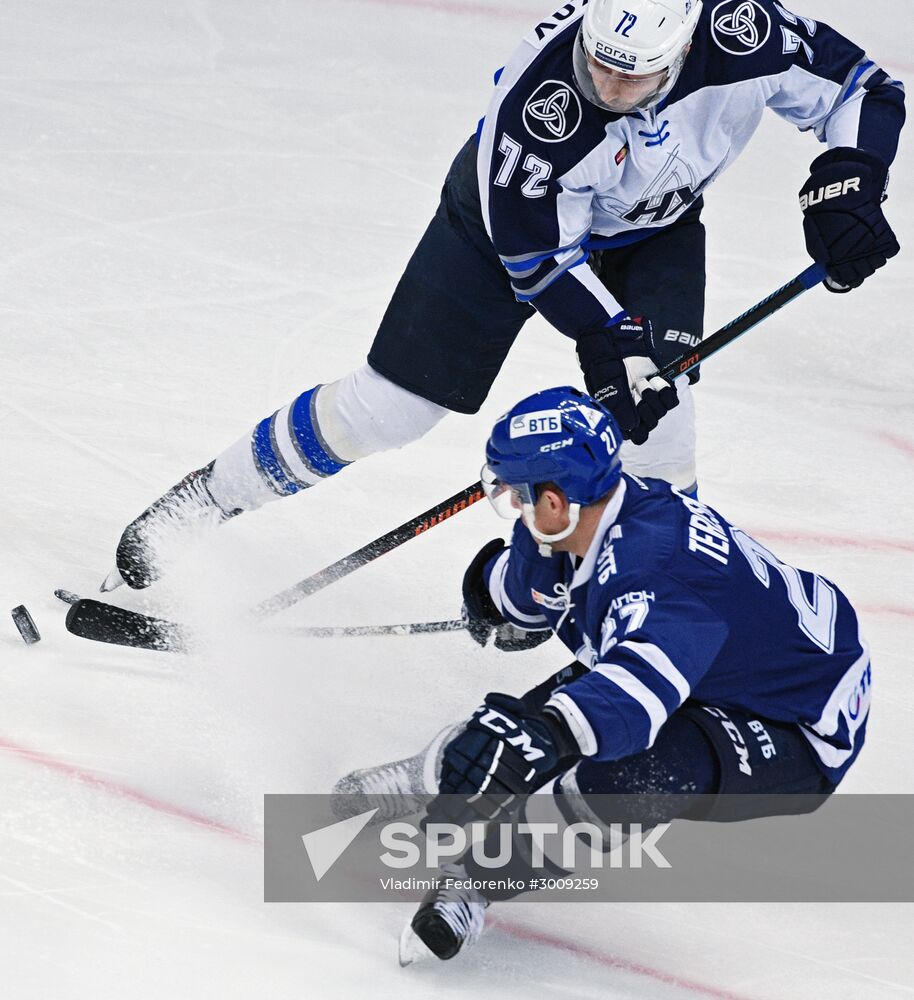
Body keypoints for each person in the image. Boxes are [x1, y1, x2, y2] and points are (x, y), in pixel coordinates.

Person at [101, 0, 904, 591]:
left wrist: (850, 180)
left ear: (688, 45)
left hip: (653, 231)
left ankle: (655, 597)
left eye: (638, 73)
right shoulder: (539, 107)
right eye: (602, 65)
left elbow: (865, 89)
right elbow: (539, 257)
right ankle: (211, 497)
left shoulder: (746, 35)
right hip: (505, 233)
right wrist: (612, 337)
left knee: (664, 427)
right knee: (388, 410)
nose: (612, 86)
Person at [333, 386, 872, 963]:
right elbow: (532, 598)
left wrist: (543, 738)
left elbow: (636, 694)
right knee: (545, 721)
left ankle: (477, 880)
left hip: (795, 724)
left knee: (635, 776)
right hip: (710, 662)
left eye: (517, 494)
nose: (513, 506)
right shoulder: (585, 512)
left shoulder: (656, 571)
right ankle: (430, 774)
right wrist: (488, 590)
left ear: (555, 499)